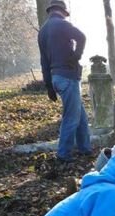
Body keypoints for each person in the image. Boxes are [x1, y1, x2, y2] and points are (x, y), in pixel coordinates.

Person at [38, 0, 92, 162]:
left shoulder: (43, 31)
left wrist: (48, 85)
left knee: (80, 115)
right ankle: (63, 154)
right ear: (62, 11)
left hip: (56, 78)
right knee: (71, 117)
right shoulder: (62, 24)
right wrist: (76, 57)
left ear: (50, 11)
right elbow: (82, 37)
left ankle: (85, 148)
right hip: (68, 77)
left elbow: (44, 61)